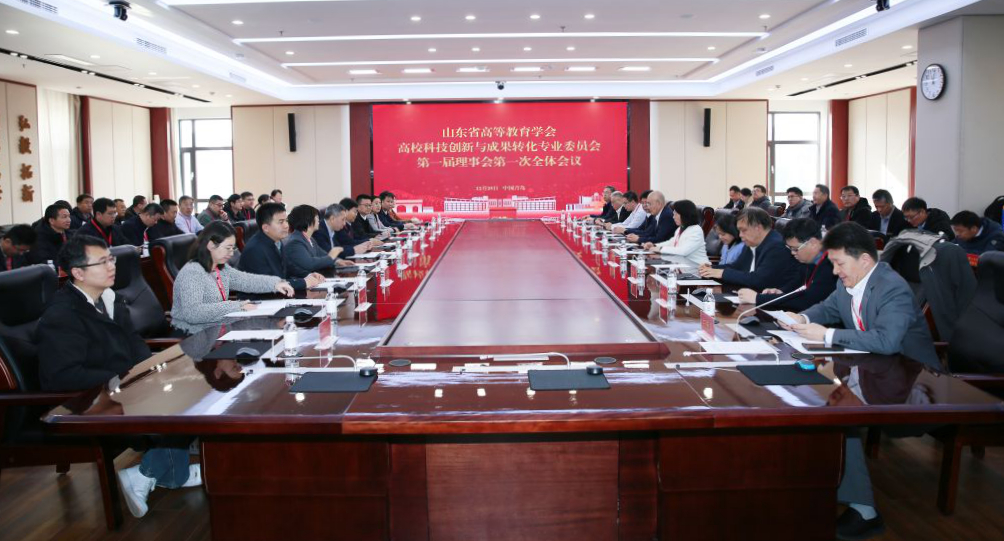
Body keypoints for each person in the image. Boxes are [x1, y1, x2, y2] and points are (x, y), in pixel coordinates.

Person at [780, 222, 939, 540]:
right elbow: (828, 307)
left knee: (837, 415)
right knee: (808, 395)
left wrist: (828, 335)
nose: (835, 271)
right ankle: (814, 482)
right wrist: (802, 318)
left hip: (908, 378)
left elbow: (888, 341)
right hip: (870, 368)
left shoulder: (892, 287)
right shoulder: (850, 281)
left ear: (864, 260)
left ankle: (865, 511)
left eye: (839, 263)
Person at [35, 234, 201, 518]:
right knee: (176, 404)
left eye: (111, 259)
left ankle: (171, 472)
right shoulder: (62, 314)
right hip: (86, 401)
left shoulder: (110, 298)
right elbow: (61, 376)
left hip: (121, 387)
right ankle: (149, 473)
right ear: (78, 273)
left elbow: (134, 343)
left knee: (191, 386)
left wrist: (152, 371)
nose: (112, 266)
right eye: (102, 262)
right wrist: (124, 380)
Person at [170, 221, 294, 335]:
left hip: (217, 328)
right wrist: (237, 306)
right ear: (211, 245)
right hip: (193, 335)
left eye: (233, 248)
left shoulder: (221, 268)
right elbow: (193, 313)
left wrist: (275, 284)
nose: (231, 253)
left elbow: (245, 280)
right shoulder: (192, 272)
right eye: (227, 248)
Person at [737, 218, 837, 311]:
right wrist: (781, 292)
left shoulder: (831, 265)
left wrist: (758, 298)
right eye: (790, 248)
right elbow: (797, 283)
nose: (792, 253)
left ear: (813, 243)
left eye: (795, 249)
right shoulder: (808, 259)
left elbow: (807, 301)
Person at [698, 207, 799, 289]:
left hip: (773, 302)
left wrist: (723, 273)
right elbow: (737, 266)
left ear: (758, 228)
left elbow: (759, 280)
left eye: (743, 230)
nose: (740, 235)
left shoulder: (776, 247)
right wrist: (711, 269)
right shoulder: (752, 242)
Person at [240, 202, 325, 290]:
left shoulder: (277, 241)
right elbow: (269, 284)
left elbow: (288, 267)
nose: (286, 226)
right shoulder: (255, 250)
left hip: (278, 295)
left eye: (286, 221)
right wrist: (304, 282)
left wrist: (308, 275)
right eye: (281, 222)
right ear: (266, 228)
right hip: (262, 297)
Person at [284, 204, 349, 280]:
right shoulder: (295, 242)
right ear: (307, 219)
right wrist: (331, 257)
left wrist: (337, 261)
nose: (319, 219)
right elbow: (310, 264)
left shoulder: (310, 239)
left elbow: (322, 254)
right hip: (301, 283)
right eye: (316, 217)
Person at [643, 200, 709, 267]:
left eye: (676, 214)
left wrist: (660, 249)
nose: (673, 217)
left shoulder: (696, 230)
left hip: (698, 268)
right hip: (681, 265)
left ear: (684, 214)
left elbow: (683, 251)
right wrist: (654, 245)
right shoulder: (681, 228)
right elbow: (672, 243)